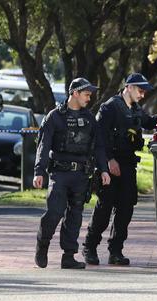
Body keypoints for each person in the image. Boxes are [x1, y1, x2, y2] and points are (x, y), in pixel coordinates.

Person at [82, 73, 157, 265]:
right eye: (140, 90)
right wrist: (109, 160)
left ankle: (116, 251)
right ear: (129, 87)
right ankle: (89, 247)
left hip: (128, 165)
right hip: (110, 165)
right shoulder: (110, 107)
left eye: (143, 91)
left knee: (125, 209)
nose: (142, 94)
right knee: (104, 208)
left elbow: (148, 122)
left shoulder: (136, 109)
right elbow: (99, 137)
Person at [33, 77, 111, 269]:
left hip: (81, 175)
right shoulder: (55, 117)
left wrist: (103, 169)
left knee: (74, 216)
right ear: (74, 93)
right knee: (54, 212)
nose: (89, 98)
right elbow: (43, 146)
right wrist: (39, 171)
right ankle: (42, 246)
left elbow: (99, 146)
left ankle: (68, 256)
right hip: (59, 174)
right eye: (86, 94)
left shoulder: (89, 119)